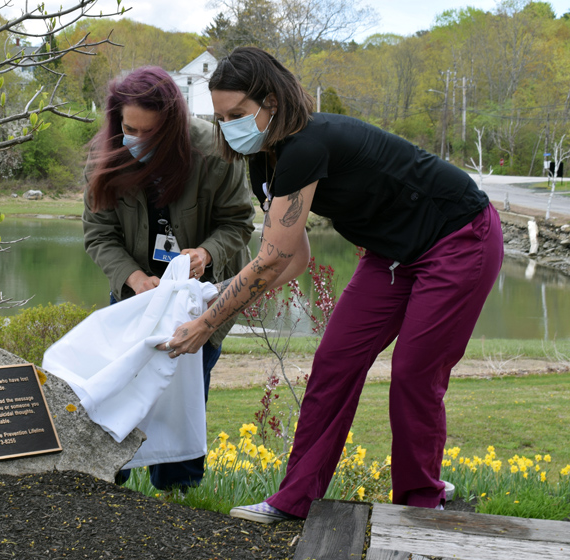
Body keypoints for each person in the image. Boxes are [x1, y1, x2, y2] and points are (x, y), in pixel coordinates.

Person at [164, 47, 504, 521]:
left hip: (459, 237)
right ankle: (294, 501)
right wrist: (219, 306)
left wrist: (207, 321)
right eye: (220, 118)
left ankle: (421, 502)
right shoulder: (265, 158)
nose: (228, 128)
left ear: (272, 103)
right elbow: (295, 256)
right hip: (391, 255)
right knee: (333, 363)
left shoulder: (308, 144)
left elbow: (271, 259)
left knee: (413, 374)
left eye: (238, 114)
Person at [82, 66, 256, 491]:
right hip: (135, 296)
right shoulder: (106, 157)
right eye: (129, 128)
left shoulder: (216, 153)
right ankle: (106, 486)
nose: (136, 139)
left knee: (185, 392)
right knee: (117, 390)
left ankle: (178, 494)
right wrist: (135, 279)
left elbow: (239, 222)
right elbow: (99, 235)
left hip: (202, 298)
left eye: (149, 133)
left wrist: (206, 253)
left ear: (174, 126)